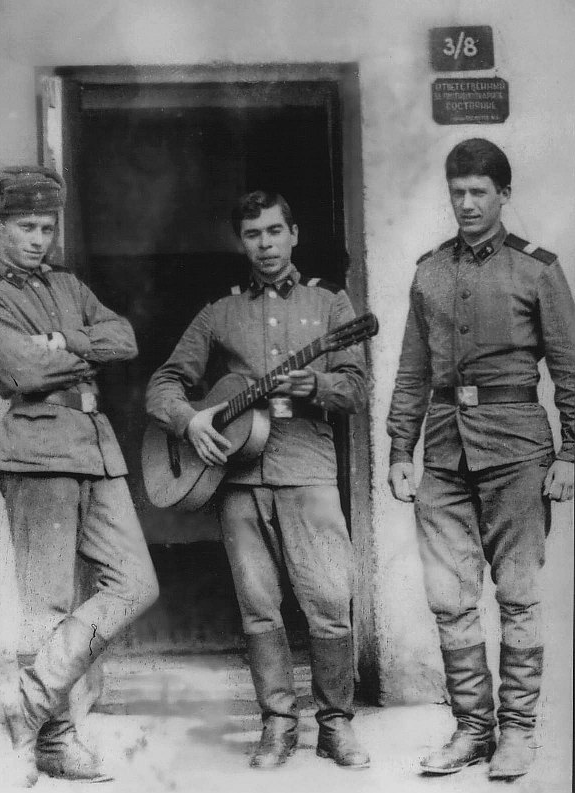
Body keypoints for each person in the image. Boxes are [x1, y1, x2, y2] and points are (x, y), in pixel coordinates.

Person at [146, 190, 370, 769]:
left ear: (293, 234)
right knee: (258, 604)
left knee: (329, 598)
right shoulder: (219, 312)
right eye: (253, 234)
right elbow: (164, 383)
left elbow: (356, 390)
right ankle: (277, 723)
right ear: (240, 242)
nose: (265, 245)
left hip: (308, 469)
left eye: (274, 231)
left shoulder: (330, 303)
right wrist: (190, 420)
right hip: (238, 478)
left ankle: (336, 723)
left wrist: (317, 385)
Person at [387, 138, 575, 779]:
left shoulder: (537, 270)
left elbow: (570, 371)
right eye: (457, 193)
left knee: (517, 594)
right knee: (448, 597)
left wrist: (572, 452)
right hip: (443, 451)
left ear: (503, 195)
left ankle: (517, 732)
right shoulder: (430, 272)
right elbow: (412, 371)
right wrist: (400, 448)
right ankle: (472, 729)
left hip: (518, 450)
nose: (466, 204)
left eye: (478, 192)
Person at [0, 166, 159, 786]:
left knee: (135, 584)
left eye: (46, 227)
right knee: (47, 603)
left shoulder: (68, 284)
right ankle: (55, 741)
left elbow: (125, 339)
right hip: (36, 451)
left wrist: (60, 340)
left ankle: (25, 702)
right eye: (25, 226)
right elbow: (23, 373)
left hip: (95, 448)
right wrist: (79, 349)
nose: (38, 238)